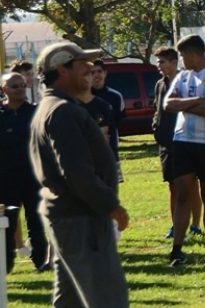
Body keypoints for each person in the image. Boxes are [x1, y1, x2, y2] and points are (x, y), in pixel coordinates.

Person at [29, 42, 129, 306]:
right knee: (108, 298)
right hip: (82, 218)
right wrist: (110, 205)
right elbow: (76, 173)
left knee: (70, 301)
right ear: (62, 69)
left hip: (71, 217)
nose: (90, 68)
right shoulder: (62, 111)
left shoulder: (53, 107)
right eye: (82, 63)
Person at [165, 34, 205, 266]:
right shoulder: (182, 77)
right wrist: (195, 101)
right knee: (183, 194)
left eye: (183, 56)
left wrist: (184, 104)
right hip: (183, 141)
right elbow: (168, 105)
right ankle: (177, 248)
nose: (181, 61)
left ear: (193, 54)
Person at [152, 46, 204, 241]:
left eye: (162, 62)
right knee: (173, 186)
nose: (159, 66)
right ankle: (176, 224)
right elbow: (157, 109)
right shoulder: (159, 84)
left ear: (174, 62)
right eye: (158, 63)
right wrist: (155, 126)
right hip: (166, 144)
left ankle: (196, 225)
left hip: (186, 140)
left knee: (191, 185)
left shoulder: (188, 81)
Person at [1, 72, 48, 273]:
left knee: (36, 221)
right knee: (7, 224)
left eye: (22, 85)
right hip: (6, 178)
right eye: (14, 86)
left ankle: (41, 260)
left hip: (33, 176)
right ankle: (6, 264)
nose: (20, 89)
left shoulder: (35, 112)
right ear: (3, 89)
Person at [91, 60, 125, 181]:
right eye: (92, 72)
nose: (96, 75)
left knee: (112, 191)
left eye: (99, 71)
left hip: (110, 150)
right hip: (89, 153)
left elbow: (117, 121)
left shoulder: (115, 96)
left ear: (105, 73)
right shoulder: (81, 97)